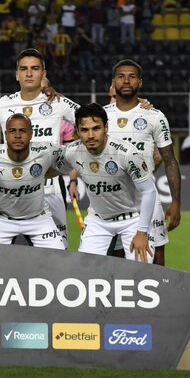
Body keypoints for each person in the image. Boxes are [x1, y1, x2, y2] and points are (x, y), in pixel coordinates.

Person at [0, 49, 79, 249]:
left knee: (59, 255)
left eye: (34, 69)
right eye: (24, 69)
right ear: (17, 74)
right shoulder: (4, 104)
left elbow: (91, 119)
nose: (29, 74)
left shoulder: (57, 101)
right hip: (8, 188)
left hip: (50, 188)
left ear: (43, 73)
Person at [102, 60, 180, 265]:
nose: (126, 80)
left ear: (140, 82)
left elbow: (170, 160)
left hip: (147, 198)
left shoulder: (154, 116)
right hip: (112, 201)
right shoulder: (101, 117)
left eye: (132, 76)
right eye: (121, 76)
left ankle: (160, 296)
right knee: (118, 260)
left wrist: (176, 201)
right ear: (113, 82)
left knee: (155, 256)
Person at [58, 103, 156, 262]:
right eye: (84, 130)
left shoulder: (126, 153)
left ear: (106, 128)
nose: (90, 135)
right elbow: (51, 169)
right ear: (77, 132)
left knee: (141, 273)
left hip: (133, 220)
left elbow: (149, 191)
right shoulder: (72, 152)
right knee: (84, 273)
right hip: (98, 220)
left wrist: (142, 232)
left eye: (96, 128)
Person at [0, 114, 65, 249]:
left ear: (31, 134)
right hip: (2, 218)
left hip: (38, 218)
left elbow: (74, 154)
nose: (17, 135)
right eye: (12, 131)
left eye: (22, 131)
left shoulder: (46, 151)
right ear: (5, 135)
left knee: (58, 259)